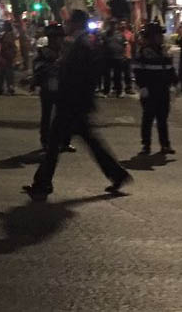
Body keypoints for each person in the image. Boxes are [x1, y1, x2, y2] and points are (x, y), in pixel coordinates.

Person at [25, 10, 131, 201]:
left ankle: (42, 183)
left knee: (57, 143)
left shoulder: (82, 45)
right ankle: (117, 174)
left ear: (76, 23)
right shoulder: (80, 43)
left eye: (69, 22)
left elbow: (82, 74)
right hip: (74, 101)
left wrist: (73, 93)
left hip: (72, 101)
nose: (66, 25)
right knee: (82, 142)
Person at [132, 22, 177, 155]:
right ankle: (146, 145)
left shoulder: (164, 51)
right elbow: (138, 71)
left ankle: (165, 145)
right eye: (159, 35)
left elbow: (170, 69)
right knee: (148, 118)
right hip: (149, 90)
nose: (161, 38)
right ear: (152, 37)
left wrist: (174, 83)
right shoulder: (143, 53)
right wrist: (143, 87)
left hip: (163, 89)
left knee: (163, 118)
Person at [31, 23, 72, 153]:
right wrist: (52, 65)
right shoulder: (43, 52)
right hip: (48, 86)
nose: (58, 40)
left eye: (59, 37)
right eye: (55, 37)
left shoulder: (66, 51)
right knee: (47, 116)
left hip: (63, 86)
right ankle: (46, 141)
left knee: (65, 115)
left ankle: (65, 141)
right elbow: (37, 68)